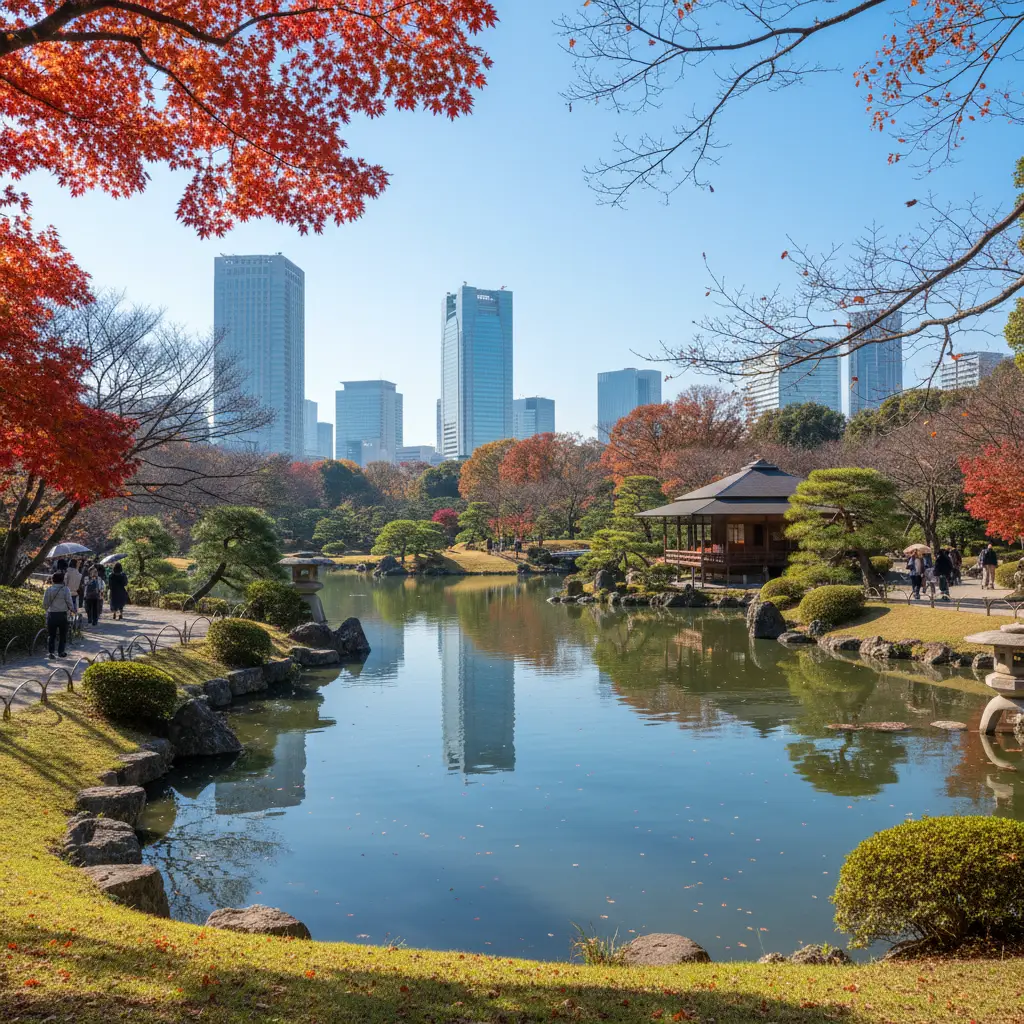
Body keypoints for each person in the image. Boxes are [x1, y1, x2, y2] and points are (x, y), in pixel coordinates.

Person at [42, 571, 75, 658]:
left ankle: (51, 653)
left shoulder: (48, 590)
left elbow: (45, 604)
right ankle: (61, 652)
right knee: (63, 635)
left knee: (51, 635)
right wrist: (72, 609)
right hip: (62, 615)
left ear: (53, 580)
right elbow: (69, 602)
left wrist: (47, 610)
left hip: (51, 615)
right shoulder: (66, 589)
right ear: (62, 580)